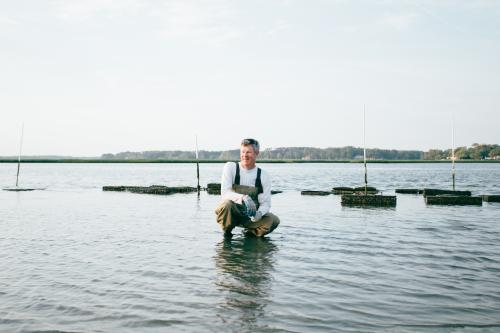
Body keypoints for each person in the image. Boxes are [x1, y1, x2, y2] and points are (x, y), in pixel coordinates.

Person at [215, 138, 280, 238]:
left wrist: (258, 214)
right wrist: (243, 198)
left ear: (256, 153)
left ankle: (250, 234)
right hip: (232, 214)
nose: (244, 155)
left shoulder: (263, 175)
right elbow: (225, 193)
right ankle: (227, 232)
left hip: (250, 218)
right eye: (242, 152)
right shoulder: (230, 167)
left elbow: (266, 203)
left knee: (273, 220)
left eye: (248, 152)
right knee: (226, 204)